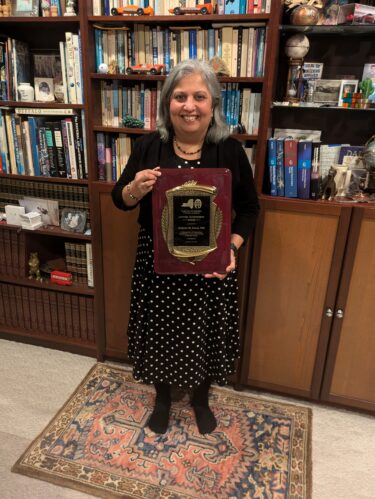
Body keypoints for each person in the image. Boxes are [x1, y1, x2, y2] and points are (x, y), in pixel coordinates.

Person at [111, 59, 259, 435]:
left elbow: (250, 208)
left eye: (199, 96)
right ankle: (162, 398)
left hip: (211, 263)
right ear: (167, 104)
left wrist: (233, 248)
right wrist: (134, 189)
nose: (189, 105)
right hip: (158, 262)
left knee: (206, 331)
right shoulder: (148, 147)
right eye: (180, 97)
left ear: (213, 104)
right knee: (160, 331)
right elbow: (119, 199)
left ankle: (201, 397)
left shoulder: (229, 150)